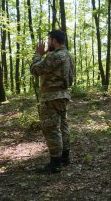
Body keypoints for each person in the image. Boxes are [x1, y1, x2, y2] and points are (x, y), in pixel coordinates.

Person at [30, 29, 75, 173]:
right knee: (63, 126)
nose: (47, 42)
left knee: (51, 129)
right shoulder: (68, 55)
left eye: (49, 39)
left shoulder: (56, 56)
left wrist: (37, 55)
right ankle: (64, 158)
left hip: (51, 97)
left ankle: (55, 164)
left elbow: (36, 70)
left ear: (54, 40)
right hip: (63, 96)